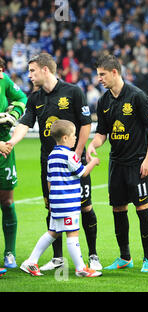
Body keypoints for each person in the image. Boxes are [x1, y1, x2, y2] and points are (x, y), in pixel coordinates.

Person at [7, 53, 101, 271]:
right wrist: (12, 142)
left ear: (45, 70)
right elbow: (25, 123)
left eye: (32, 71)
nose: (29, 75)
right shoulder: (34, 98)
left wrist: (77, 152)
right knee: (53, 209)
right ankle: (58, 258)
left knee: (85, 207)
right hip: (49, 164)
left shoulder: (73, 92)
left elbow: (85, 123)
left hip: (73, 160)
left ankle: (93, 255)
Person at [86, 54, 148, 272]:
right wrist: (93, 145)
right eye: (98, 75)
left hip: (137, 163)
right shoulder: (104, 101)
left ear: (115, 72)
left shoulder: (137, 96)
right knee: (118, 209)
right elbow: (102, 133)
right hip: (116, 163)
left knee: (142, 209)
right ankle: (124, 257)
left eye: (102, 74)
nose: (99, 79)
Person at [20, 119, 101, 277]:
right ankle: (81, 269)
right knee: (72, 233)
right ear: (65, 137)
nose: (75, 138)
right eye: (73, 135)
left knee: (52, 232)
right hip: (68, 203)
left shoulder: (51, 155)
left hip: (56, 203)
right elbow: (82, 172)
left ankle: (30, 261)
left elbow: (49, 181)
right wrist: (93, 162)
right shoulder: (70, 156)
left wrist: (51, 202)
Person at [0, 57, 27, 270]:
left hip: (5, 151)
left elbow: (21, 97)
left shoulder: (4, 80)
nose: (2, 76)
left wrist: (13, 114)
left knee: (7, 202)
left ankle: (10, 252)